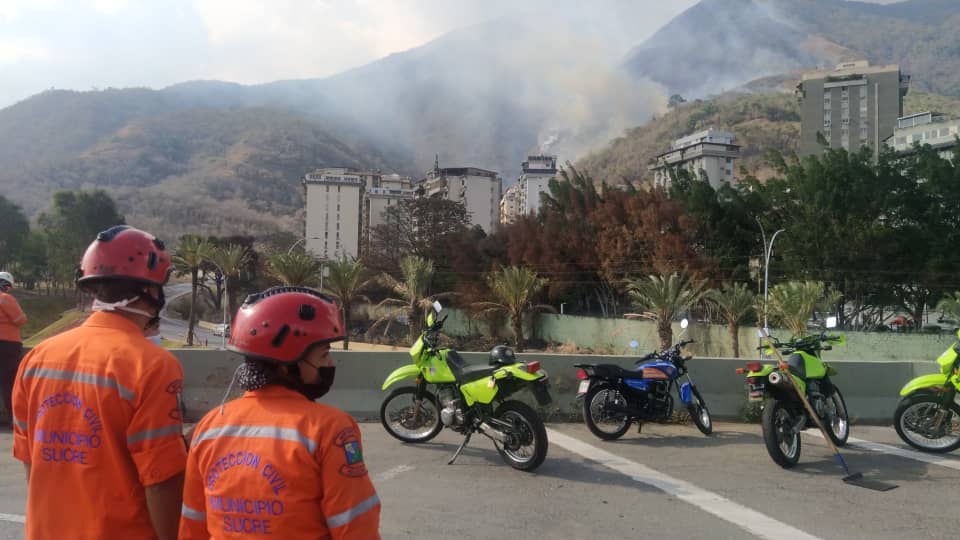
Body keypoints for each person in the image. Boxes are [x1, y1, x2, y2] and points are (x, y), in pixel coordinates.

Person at [12, 225, 187, 540]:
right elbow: (161, 480)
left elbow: (31, 460)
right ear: (150, 291)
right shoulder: (153, 365)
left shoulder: (37, 357)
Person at [180, 286, 381, 540]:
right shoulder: (331, 428)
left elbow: (192, 523)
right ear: (287, 365)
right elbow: (355, 526)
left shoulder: (209, 426)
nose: (330, 364)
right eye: (324, 354)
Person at [0, 271, 26, 427]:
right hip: (8, 345)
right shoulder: (5, 298)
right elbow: (20, 319)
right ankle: (13, 419)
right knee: (10, 382)